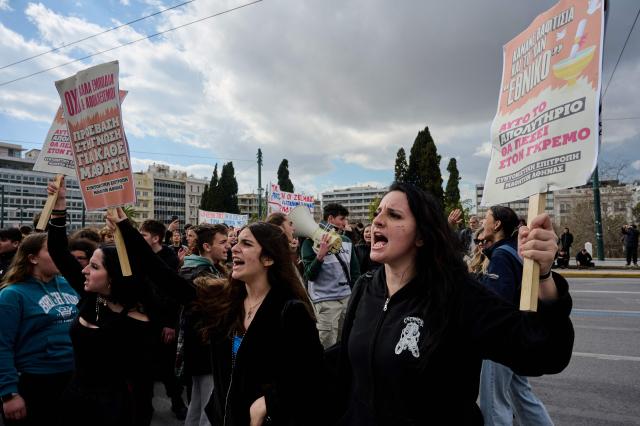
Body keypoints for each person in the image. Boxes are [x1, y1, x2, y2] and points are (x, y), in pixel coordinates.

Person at [331, 182, 573, 425]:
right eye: (377, 214)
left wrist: (543, 277)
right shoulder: (365, 287)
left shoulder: (457, 295)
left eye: (394, 215)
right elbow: (346, 371)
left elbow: (545, 352)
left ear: (421, 236)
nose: (378, 221)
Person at [110, 214, 326, 425]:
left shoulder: (290, 311)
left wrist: (269, 402)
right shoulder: (224, 299)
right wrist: (125, 228)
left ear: (268, 258)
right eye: (237, 241)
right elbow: (166, 279)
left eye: (247, 244)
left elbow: (311, 377)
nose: (234, 248)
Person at [46, 177, 156, 426]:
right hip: (74, 400)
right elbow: (57, 251)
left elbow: (142, 386)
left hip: (113, 409)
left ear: (113, 278)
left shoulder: (140, 322)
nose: (83, 270)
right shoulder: (90, 296)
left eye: (93, 266)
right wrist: (60, 203)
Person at [478, 205, 554, 425]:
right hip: (516, 338)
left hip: (499, 341)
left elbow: (496, 303)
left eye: (487, 218)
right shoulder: (513, 250)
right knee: (522, 396)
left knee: (494, 403)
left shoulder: (501, 255)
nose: (483, 222)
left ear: (497, 224)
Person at [0, 233, 79, 426]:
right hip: (34, 382)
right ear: (32, 258)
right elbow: (2, 346)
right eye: (52, 250)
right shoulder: (12, 294)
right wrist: (9, 394)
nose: (62, 255)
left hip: (73, 379)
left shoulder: (70, 285)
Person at [178, 224, 229, 426]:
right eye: (223, 242)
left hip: (200, 347)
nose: (228, 247)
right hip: (205, 348)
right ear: (207, 246)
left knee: (198, 403)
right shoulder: (199, 273)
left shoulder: (202, 268)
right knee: (209, 408)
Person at [138, 219, 187, 421]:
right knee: (144, 367)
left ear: (156, 238)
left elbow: (172, 294)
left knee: (167, 367)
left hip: (164, 320)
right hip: (143, 319)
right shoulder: (140, 256)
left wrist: (168, 324)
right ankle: (145, 407)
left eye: (144, 235)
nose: (140, 239)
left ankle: (177, 403)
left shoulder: (169, 258)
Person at [301, 203, 360, 348]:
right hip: (325, 303)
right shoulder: (309, 242)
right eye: (342, 219)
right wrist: (320, 256)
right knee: (326, 346)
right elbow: (310, 275)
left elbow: (355, 272)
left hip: (346, 300)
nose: (344, 223)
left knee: (345, 344)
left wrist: (355, 297)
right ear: (331, 219)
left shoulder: (346, 242)